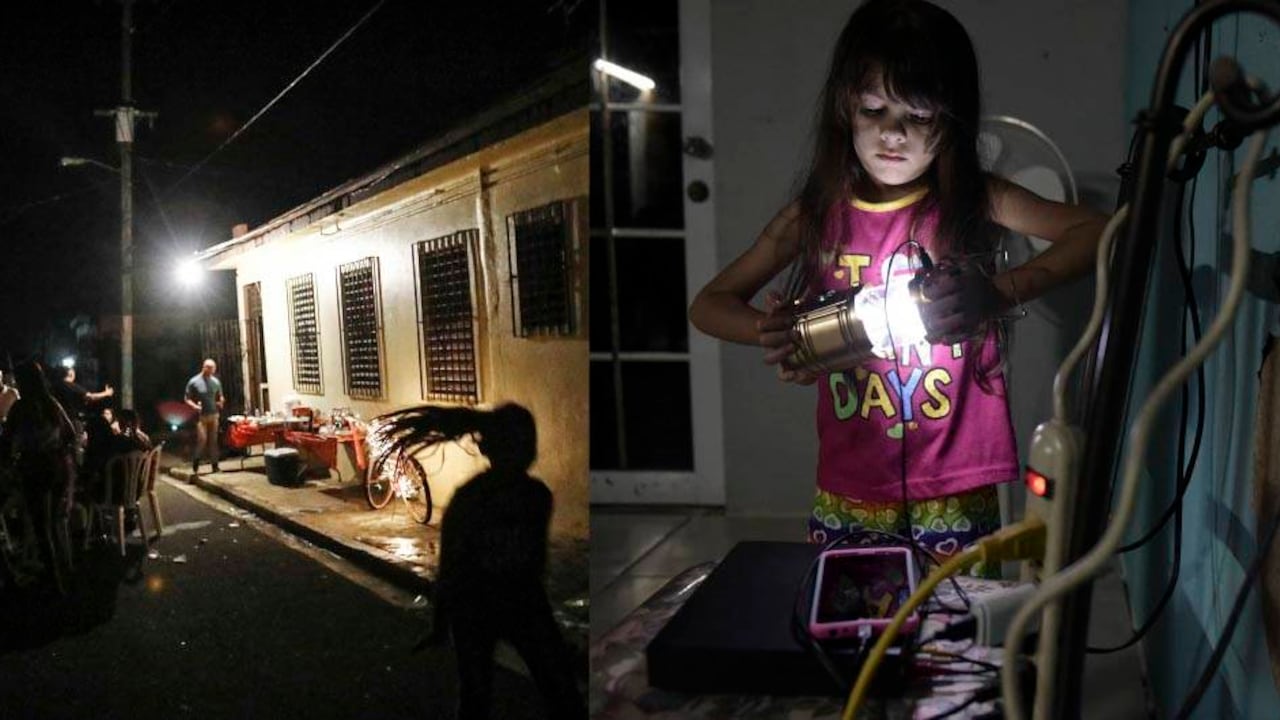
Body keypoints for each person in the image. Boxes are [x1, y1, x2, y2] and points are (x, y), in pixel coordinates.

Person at [688, 0, 1108, 575]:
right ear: (844, 107)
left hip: (957, 483)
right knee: (852, 633)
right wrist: (772, 331)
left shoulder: (975, 199)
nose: (892, 133)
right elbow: (707, 306)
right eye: (873, 108)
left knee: (953, 633)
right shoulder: (815, 216)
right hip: (852, 484)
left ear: (952, 118)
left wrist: (997, 292)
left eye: (919, 115)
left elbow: (1096, 232)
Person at [378, 403, 585, 719]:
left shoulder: (470, 497)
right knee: (558, 690)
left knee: (477, 696)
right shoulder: (535, 495)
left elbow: (449, 566)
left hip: (474, 606)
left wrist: (439, 623)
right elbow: (533, 561)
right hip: (519, 602)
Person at [0, 359, 79, 592]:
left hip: (35, 469)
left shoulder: (21, 408)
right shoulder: (51, 403)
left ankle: (53, 583)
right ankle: (63, 573)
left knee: (41, 526)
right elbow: (71, 433)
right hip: (58, 467)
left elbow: (6, 443)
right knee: (54, 523)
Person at [184, 358, 224, 474]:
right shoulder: (194, 382)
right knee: (202, 439)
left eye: (214, 369)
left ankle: (215, 466)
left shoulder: (215, 382)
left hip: (214, 414)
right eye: (210, 369)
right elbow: (187, 398)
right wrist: (194, 406)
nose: (212, 371)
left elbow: (220, 395)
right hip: (201, 416)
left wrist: (221, 401)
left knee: (213, 441)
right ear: (205, 368)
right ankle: (196, 461)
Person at [52, 366, 113, 433]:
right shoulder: (72, 386)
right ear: (71, 373)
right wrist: (106, 393)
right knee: (77, 440)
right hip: (72, 421)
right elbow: (91, 397)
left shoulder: (55, 386)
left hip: (57, 422)